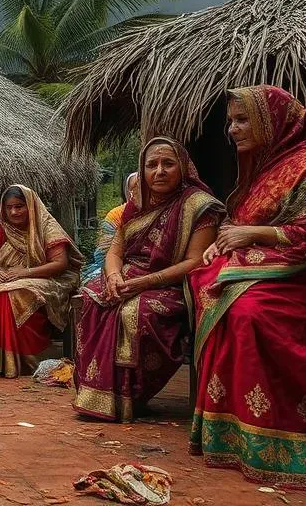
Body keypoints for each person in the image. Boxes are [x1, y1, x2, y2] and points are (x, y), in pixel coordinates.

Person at [188, 86, 306, 488]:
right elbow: (238, 226)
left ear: (273, 121)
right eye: (230, 121)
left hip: (300, 278)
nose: (233, 130)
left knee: (250, 312)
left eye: (242, 120)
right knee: (213, 289)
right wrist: (220, 244)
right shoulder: (260, 169)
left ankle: (305, 441)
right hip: (262, 270)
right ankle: (234, 437)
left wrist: (253, 235)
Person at [73, 138, 222, 422]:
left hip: (172, 284)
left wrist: (143, 283)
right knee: (95, 297)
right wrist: (114, 276)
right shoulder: (137, 202)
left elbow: (194, 261)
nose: (159, 171)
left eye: (168, 163)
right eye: (151, 165)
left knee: (135, 312)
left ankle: (133, 397)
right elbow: (115, 249)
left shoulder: (200, 206)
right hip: (128, 276)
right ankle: (97, 395)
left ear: (184, 167)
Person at [0, 184, 83, 377]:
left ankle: (28, 362)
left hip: (46, 277)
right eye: (9, 208)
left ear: (30, 205)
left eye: (19, 206)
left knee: (13, 294)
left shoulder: (46, 226)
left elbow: (60, 264)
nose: (14, 212)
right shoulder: (2, 230)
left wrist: (24, 273)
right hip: (7, 276)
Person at [80, 172, 139, 286]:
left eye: (142, 187)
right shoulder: (116, 215)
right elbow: (103, 253)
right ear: (128, 191)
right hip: (116, 266)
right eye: (133, 188)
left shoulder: (160, 213)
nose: (137, 192)